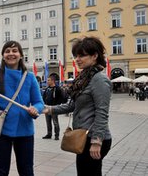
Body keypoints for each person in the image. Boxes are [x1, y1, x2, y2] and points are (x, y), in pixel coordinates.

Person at [43, 37, 112, 176]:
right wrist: (49, 109)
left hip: (94, 138)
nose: (77, 59)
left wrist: (97, 142)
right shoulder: (84, 78)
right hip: (83, 137)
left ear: (94, 56)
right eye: (76, 56)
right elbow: (72, 105)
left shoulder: (99, 79)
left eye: (82, 55)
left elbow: (102, 112)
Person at [0, 41, 43, 175]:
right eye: (7, 51)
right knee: (1, 171)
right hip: (1, 130)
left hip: (25, 130)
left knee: (27, 170)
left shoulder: (29, 77)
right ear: (2, 56)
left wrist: (35, 109)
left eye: (14, 51)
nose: (11, 54)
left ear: (20, 55)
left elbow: (39, 102)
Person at [42, 74, 63, 140]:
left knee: (55, 122)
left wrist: (57, 105)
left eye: (48, 80)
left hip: (54, 108)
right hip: (47, 107)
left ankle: (56, 135)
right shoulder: (47, 89)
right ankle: (49, 134)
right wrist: (44, 104)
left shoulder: (57, 89)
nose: (47, 81)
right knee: (48, 122)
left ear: (53, 81)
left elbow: (61, 97)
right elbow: (44, 97)